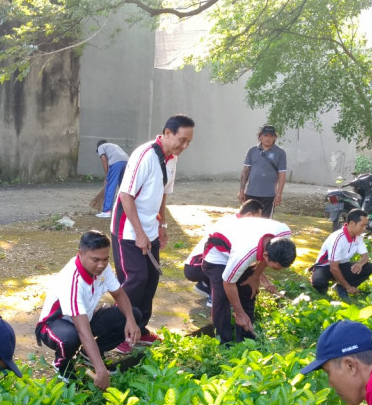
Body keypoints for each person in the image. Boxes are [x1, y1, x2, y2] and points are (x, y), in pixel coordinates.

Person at [110, 114, 195, 352]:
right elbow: (126, 195)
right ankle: (117, 334)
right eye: (182, 139)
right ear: (167, 133)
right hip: (127, 230)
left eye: (189, 142)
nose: (184, 146)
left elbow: (163, 194)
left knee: (151, 279)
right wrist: (139, 233)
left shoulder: (172, 159)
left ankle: (140, 329)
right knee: (134, 280)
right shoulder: (145, 155)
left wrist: (162, 225)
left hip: (150, 228)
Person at [36, 231, 142, 388]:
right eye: (96, 260)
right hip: (54, 326)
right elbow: (82, 331)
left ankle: (89, 354)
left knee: (133, 314)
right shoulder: (72, 280)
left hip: (85, 319)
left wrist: (131, 321)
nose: (101, 265)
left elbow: (119, 294)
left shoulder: (102, 268)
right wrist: (101, 370)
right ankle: (61, 365)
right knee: (71, 338)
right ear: (81, 254)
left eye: (105, 259)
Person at [201, 215, 296, 344]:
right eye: (275, 267)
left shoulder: (284, 235)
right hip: (217, 253)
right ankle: (223, 343)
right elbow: (228, 283)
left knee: (248, 290)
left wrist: (256, 276)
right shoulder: (244, 254)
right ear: (265, 255)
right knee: (222, 296)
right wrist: (239, 313)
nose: (277, 270)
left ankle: (247, 340)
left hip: (240, 238)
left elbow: (263, 261)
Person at [183, 199, 264, 307]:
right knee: (230, 268)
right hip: (195, 266)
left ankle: (205, 285)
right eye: (257, 219)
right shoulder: (235, 226)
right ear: (249, 215)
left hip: (199, 264)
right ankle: (215, 297)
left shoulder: (235, 220)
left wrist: (260, 277)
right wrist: (258, 277)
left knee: (234, 266)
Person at [311, 208, 372, 298]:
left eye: (365, 226)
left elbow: (365, 256)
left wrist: (360, 264)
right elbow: (333, 268)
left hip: (341, 265)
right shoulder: (338, 238)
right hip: (325, 266)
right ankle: (342, 287)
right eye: (362, 225)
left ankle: (340, 287)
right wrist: (348, 287)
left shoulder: (358, 237)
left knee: (368, 267)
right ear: (352, 223)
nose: (364, 229)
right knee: (319, 283)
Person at [238, 125, 287, 218]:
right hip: (251, 193)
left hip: (269, 195)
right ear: (260, 136)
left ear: (275, 137)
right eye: (265, 135)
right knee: (248, 220)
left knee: (265, 222)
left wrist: (279, 194)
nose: (268, 138)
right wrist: (241, 191)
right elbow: (245, 172)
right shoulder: (252, 151)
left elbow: (282, 174)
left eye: (271, 136)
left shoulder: (280, 153)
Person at [95, 140, 129, 218]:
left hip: (116, 163)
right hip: (127, 162)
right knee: (123, 187)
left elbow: (104, 160)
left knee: (110, 186)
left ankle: (106, 211)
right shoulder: (114, 146)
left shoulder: (101, 147)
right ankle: (125, 209)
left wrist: (108, 176)